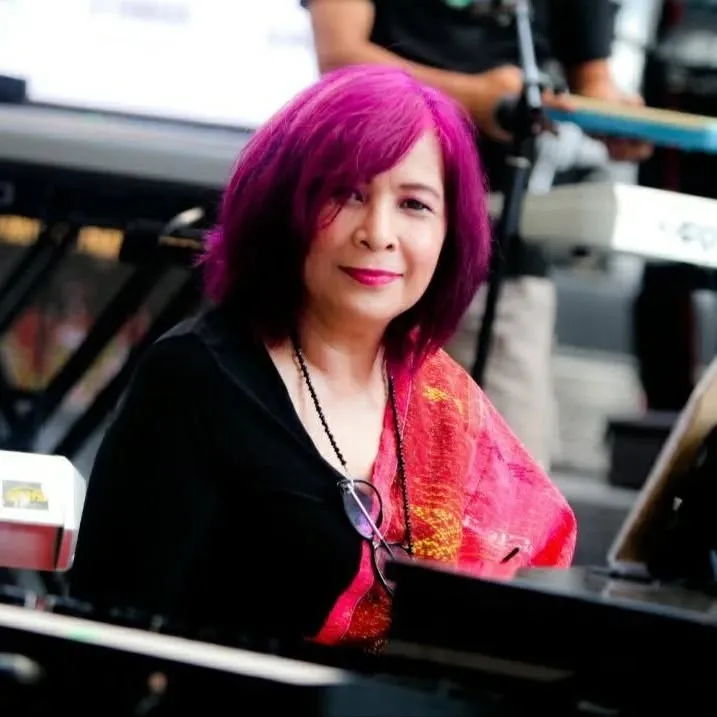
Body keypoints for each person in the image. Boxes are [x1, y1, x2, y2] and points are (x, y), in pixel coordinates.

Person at [69, 66, 576, 653]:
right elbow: (111, 637)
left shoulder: (443, 401)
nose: (378, 233)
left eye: (414, 204)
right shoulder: (193, 379)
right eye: (346, 195)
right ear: (282, 207)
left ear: (450, 234)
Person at [304, 0, 652, 468]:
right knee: (329, 442)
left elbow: (593, 79)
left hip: (498, 239)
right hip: (361, 222)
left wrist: (614, 117)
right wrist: (474, 96)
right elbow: (341, 58)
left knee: (511, 466)